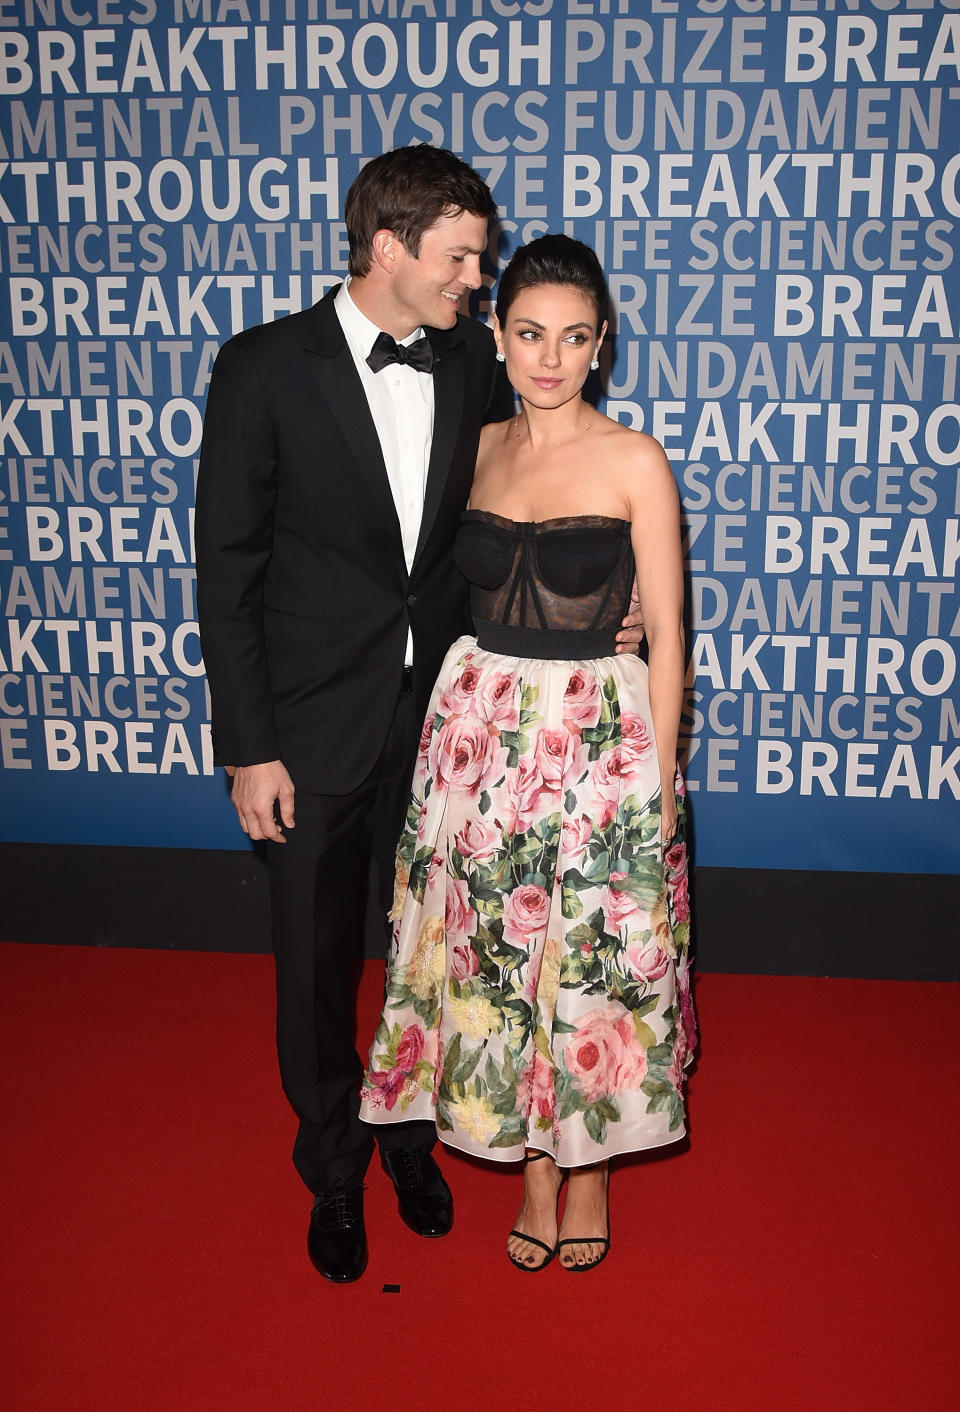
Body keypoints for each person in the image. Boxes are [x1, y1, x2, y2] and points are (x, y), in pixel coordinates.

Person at [195, 151, 644, 1284]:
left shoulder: (475, 368)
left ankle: (412, 1140)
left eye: (482, 259)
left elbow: (537, 502)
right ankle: (335, 1166)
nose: (477, 279)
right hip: (307, 725)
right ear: (389, 247)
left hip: (454, 728)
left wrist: (609, 616)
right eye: (461, 256)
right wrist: (249, 744)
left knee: (437, 948)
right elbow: (227, 569)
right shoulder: (261, 370)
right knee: (313, 955)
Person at [360, 234, 697, 1273]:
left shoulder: (635, 457)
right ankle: (532, 1163)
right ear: (500, 337)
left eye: (576, 337)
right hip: (480, 737)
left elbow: (672, 634)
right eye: (530, 333)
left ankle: (586, 1163)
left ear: (603, 346)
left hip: (600, 738)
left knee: (592, 953)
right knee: (496, 952)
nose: (551, 357)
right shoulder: (478, 444)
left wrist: (665, 776)